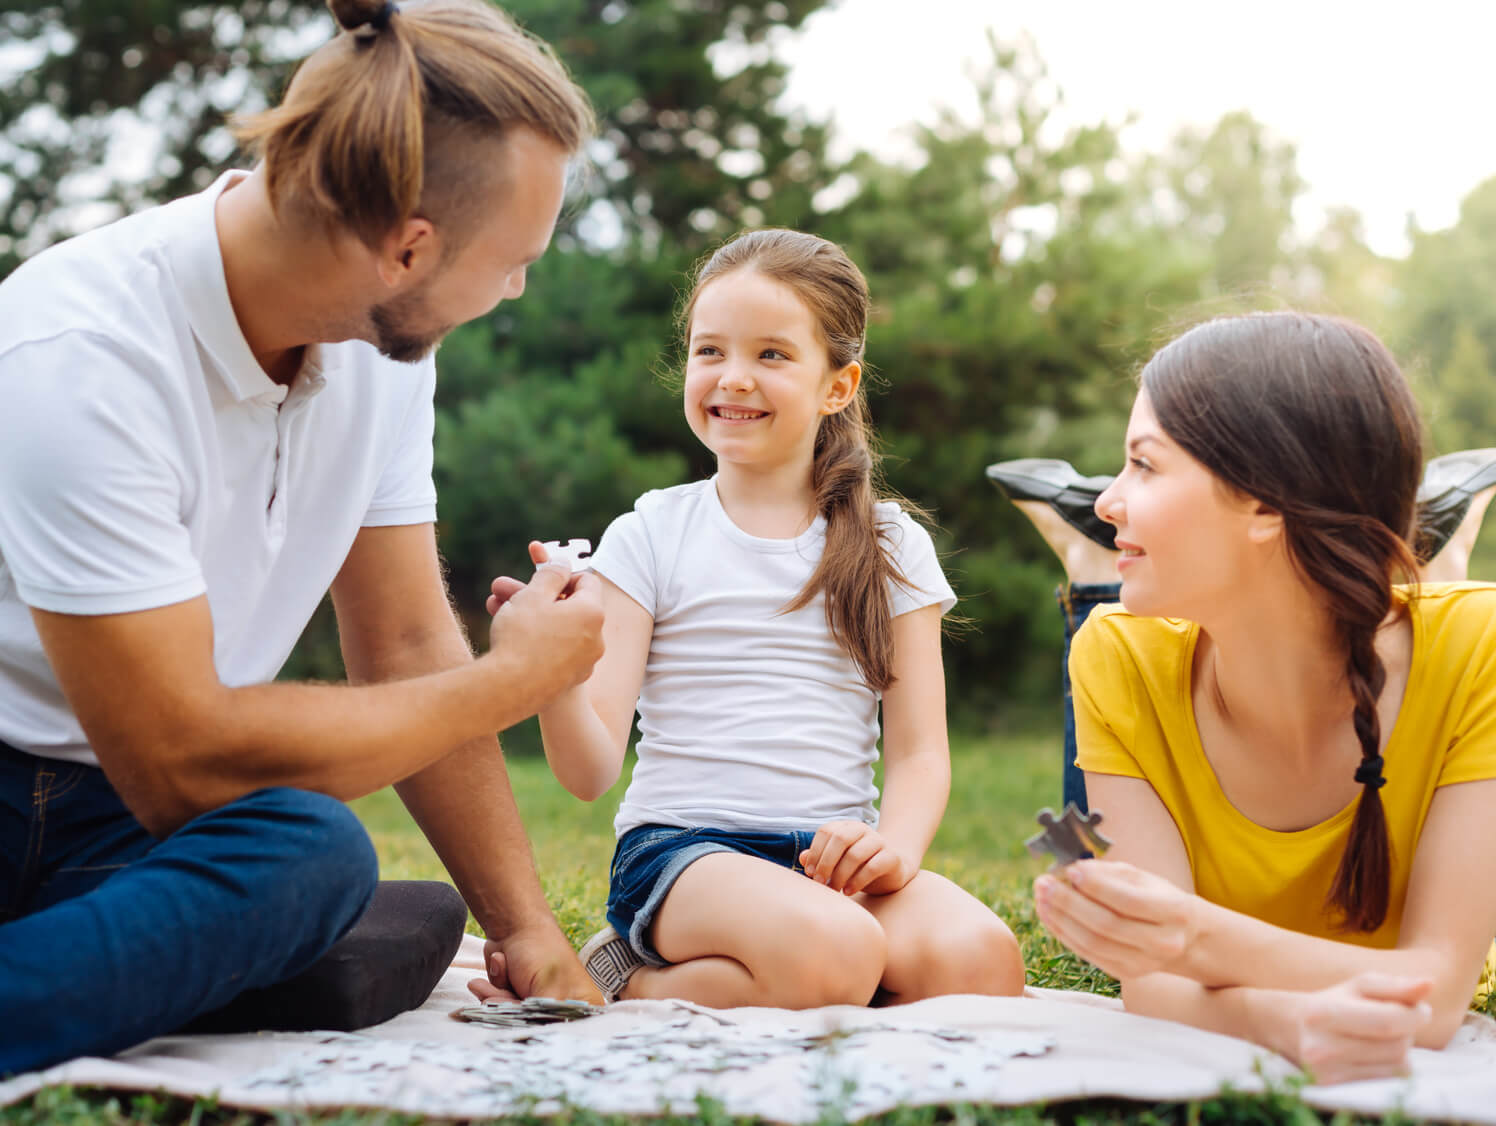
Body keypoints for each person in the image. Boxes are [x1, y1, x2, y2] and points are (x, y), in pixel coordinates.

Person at [0, 0, 604, 1100]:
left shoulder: (383, 357)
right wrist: (514, 679)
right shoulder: (76, 353)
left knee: (312, 855)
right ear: (408, 245)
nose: (514, 285)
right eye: (515, 260)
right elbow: (177, 758)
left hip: (117, 831)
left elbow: (410, 639)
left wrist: (530, 933)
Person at [489, 229, 1025, 1007]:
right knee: (836, 951)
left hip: (827, 862)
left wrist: (893, 852)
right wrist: (549, 674)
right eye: (710, 351)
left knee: (978, 963)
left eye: (771, 355)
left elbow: (919, 756)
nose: (732, 378)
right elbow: (588, 772)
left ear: (838, 386)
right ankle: (627, 981)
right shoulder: (649, 536)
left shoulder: (890, 543)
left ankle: (782, 982)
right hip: (681, 857)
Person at [1027, 312, 1496, 1084]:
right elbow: (1152, 985)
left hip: (1412, 629)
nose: (1108, 498)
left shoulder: (1477, 652)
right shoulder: (1114, 655)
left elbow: (1435, 998)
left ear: (1265, 503)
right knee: (1099, 612)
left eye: (1144, 465)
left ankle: (1439, 547)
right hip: (1176, 644)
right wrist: (1282, 1020)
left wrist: (1187, 938)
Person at [987, 446, 1496, 813]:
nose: (1108, 502)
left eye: (1144, 464)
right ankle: (1426, 567)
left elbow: (1443, 945)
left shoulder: (1480, 636)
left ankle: (1428, 571)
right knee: (1089, 880)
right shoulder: (1113, 644)